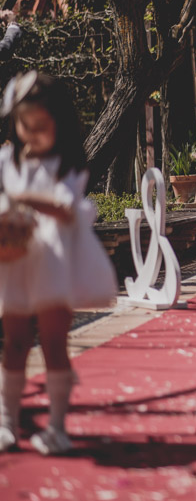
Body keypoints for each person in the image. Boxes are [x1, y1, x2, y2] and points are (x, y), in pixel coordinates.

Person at [0, 71, 118, 454]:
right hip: (15, 259)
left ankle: (56, 426)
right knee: (15, 342)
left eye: (42, 126)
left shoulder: (68, 165)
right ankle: (6, 422)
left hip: (54, 260)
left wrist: (22, 198)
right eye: (24, 125)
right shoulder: (7, 159)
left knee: (53, 342)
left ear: (59, 123)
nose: (31, 134)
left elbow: (66, 208)